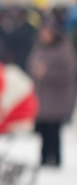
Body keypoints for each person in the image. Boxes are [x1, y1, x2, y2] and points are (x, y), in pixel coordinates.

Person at [27, 18, 77, 166]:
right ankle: (43, 158)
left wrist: (47, 73)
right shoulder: (40, 47)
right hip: (42, 97)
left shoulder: (64, 49)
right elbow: (32, 64)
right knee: (43, 130)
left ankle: (55, 159)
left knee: (54, 132)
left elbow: (68, 73)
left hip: (57, 98)